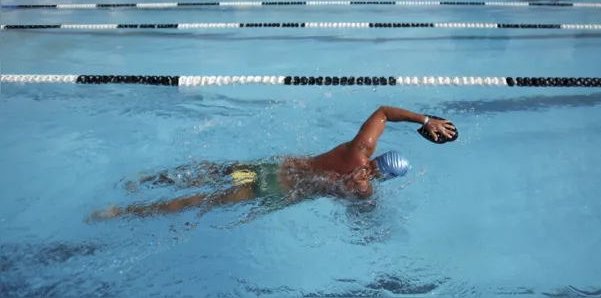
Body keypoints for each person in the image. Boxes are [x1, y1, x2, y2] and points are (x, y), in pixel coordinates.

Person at [88, 107, 457, 223]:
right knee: (204, 202)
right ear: (387, 175)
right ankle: (121, 212)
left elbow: (384, 111)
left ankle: (147, 180)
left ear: (379, 157)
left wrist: (426, 121)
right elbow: (362, 220)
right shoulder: (362, 190)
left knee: (211, 172)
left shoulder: (359, 149)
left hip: (273, 168)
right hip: (275, 191)